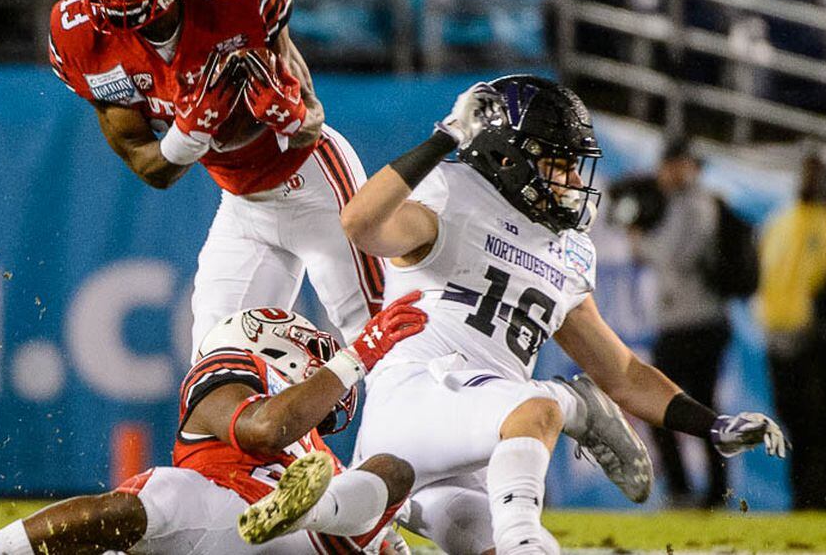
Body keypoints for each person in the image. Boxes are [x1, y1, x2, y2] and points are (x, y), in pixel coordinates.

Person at [337, 76, 787, 554]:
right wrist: (447, 135)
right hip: (416, 405)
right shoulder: (453, 193)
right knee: (540, 410)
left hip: (476, 449)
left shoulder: (566, 251)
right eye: (560, 164)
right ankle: (568, 418)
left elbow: (624, 374)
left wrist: (712, 425)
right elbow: (359, 223)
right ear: (507, 157)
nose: (574, 181)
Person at [48, 0, 384, 360]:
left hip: (313, 182)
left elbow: (309, 122)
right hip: (243, 205)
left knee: (383, 342)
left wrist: (289, 114)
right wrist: (190, 133)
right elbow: (150, 167)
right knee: (216, 367)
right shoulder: (80, 36)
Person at [0, 297, 427, 555]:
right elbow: (266, 429)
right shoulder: (231, 368)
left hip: (305, 537)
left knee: (393, 471)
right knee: (161, 496)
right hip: (221, 519)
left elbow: (367, 520)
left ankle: (301, 511)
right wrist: (357, 355)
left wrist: (380, 534)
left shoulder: (316, 448)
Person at [756, 146, 826, 510]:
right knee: (795, 427)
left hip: (818, 341)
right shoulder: (782, 221)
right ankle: (803, 504)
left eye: (818, 172)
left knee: (823, 430)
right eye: (808, 171)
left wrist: (819, 311)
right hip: (779, 340)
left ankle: (825, 505)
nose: (810, 179)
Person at [627, 138, 735, 509]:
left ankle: (712, 493)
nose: (665, 173)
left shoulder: (699, 203)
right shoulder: (676, 204)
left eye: (673, 164)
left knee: (695, 408)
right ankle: (684, 490)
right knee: (670, 409)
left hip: (699, 323)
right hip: (679, 323)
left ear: (686, 165)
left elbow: (678, 256)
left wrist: (643, 240)